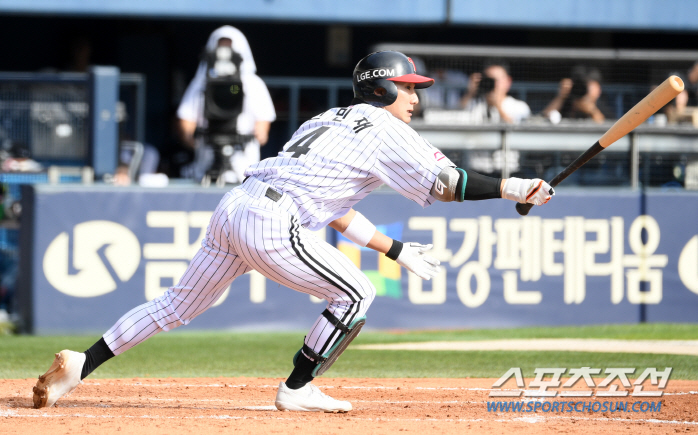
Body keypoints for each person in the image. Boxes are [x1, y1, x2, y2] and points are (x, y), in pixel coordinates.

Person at [32, 51, 554, 413]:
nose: (415, 99)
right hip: (272, 221)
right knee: (358, 292)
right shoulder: (385, 127)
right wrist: (516, 187)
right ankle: (297, 388)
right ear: (384, 87)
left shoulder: (326, 119)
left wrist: (394, 248)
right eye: (410, 88)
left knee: (176, 306)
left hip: (235, 209)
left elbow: (336, 210)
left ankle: (84, 362)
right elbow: (446, 182)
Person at [177, 26, 276, 184]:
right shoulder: (200, 84)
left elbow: (263, 124)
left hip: (243, 160)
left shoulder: (253, 84)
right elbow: (186, 118)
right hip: (207, 158)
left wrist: (259, 132)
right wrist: (190, 137)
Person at [460, 60, 531, 124]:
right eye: (489, 80)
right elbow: (456, 115)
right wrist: (470, 93)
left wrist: (498, 107)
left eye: (496, 80)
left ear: (508, 82)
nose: (493, 85)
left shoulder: (519, 107)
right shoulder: (474, 103)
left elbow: (518, 132)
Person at [542, 66, 613, 124]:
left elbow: (607, 130)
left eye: (588, 86)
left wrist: (592, 111)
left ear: (598, 89)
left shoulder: (603, 109)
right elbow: (544, 119)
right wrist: (560, 96)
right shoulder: (566, 103)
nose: (584, 89)